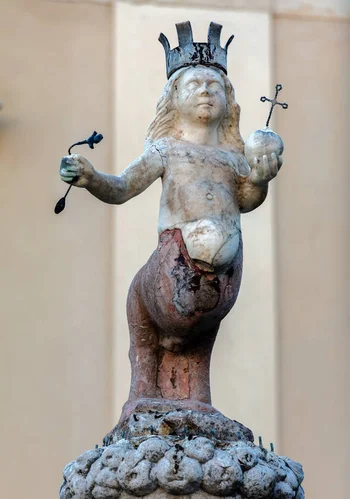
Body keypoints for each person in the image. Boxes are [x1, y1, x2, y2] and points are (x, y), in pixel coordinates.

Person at [60, 63, 283, 410]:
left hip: (225, 268)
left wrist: (260, 180)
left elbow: (245, 201)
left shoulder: (233, 156)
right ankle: (146, 389)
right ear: (173, 99)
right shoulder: (166, 151)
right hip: (177, 257)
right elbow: (122, 188)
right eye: (194, 84)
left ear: (229, 101)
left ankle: (197, 397)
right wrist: (91, 178)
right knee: (151, 331)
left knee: (201, 340)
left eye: (214, 85)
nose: (206, 91)